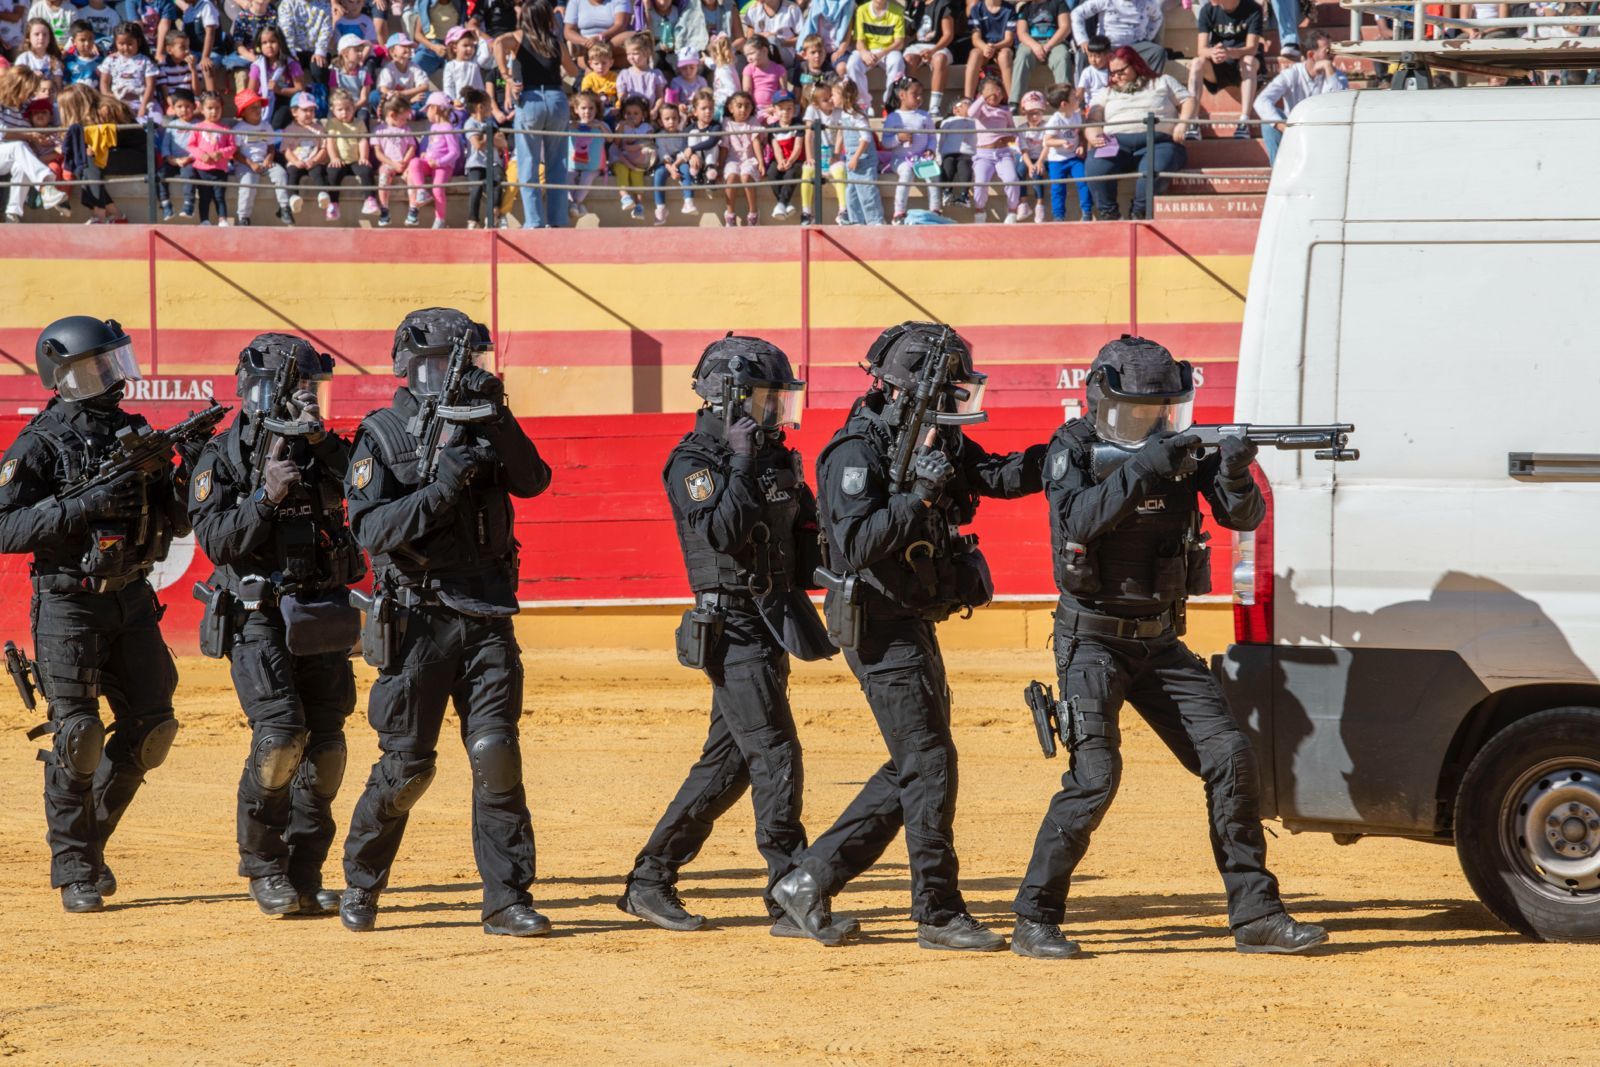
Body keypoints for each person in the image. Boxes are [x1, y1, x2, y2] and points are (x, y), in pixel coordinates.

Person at [1008, 335, 1329, 959]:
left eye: (1164, 412)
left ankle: (1257, 915)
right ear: (1103, 403)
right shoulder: (1073, 448)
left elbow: (1244, 519)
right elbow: (1077, 521)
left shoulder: (1184, 452)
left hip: (1160, 643)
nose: (1153, 424)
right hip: (1092, 643)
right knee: (1095, 778)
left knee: (1231, 758)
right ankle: (1033, 918)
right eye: (1138, 413)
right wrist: (1147, 464)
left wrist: (1233, 471)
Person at [770, 321, 1045, 952]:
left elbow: (998, 477)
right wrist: (918, 494)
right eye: (951, 392)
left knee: (916, 765)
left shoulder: (933, 440)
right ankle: (937, 911)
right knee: (929, 762)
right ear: (905, 392)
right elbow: (857, 544)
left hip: (912, 621)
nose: (959, 404)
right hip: (876, 623)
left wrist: (1062, 456)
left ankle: (808, 880)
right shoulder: (855, 454)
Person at [618, 337, 852, 937]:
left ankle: (650, 880)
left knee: (730, 763)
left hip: (771, 616)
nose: (775, 411)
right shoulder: (694, 459)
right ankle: (789, 894)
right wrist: (744, 463)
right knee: (775, 753)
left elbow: (801, 545)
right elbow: (722, 533)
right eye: (765, 399)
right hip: (730, 623)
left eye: (780, 399)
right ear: (728, 398)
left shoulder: (773, 455)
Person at [339, 307, 553, 938]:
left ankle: (507, 899)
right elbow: (371, 532)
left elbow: (535, 481)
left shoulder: (486, 423)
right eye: (435, 365)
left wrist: (499, 415)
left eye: (466, 363)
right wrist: (441, 487)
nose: (452, 377)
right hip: (417, 619)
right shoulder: (380, 434)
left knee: (496, 755)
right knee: (406, 766)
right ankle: (361, 882)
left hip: (487, 616)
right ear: (408, 367)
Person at [0, 316, 199, 913]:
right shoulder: (38, 441)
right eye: (97, 368)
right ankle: (75, 869)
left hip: (132, 597)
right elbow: (5, 526)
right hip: (68, 601)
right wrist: (81, 505)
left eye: (115, 363)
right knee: (78, 734)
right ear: (62, 376)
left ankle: (89, 842)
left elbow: (181, 521)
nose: (113, 378)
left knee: (153, 726)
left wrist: (180, 472)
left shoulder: (135, 431)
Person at [186, 334, 361, 917]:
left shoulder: (323, 449)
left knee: (328, 746)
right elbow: (214, 540)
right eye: (296, 388)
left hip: (320, 615)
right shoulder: (225, 455)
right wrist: (265, 496)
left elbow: (368, 492)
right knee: (280, 738)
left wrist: (316, 440)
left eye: (313, 388)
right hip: (257, 617)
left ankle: (305, 871)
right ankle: (264, 867)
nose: (306, 398)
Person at [1082, 46, 1194, 220]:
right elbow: (1093, 118)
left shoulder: (1162, 81)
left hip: (1157, 140)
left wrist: (1182, 124)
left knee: (1153, 169)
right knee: (1096, 166)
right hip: (1115, 141)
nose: (1116, 77)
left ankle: (1139, 211)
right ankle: (1109, 213)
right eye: (1112, 73)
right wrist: (1094, 135)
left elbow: (1187, 100)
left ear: (1135, 65)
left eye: (1121, 71)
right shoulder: (1106, 92)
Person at [497, 0, 577, 228]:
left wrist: (506, 75)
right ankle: (558, 221)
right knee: (557, 166)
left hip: (530, 100)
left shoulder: (518, 37)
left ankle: (533, 222)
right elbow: (572, 70)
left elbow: (498, 43)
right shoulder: (555, 42)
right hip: (556, 99)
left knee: (528, 165)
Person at [1253, 32, 1347, 163]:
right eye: (1327, 51)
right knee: (1268, 124)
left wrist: (1328, 68)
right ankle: (1278, 173)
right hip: (1293, 131)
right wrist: (1281, 125)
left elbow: (1340, 103)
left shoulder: (1336, 76)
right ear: (1310, 55)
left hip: (1323, 131)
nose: (1333, 54)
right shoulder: (1292, 73)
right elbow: (1261, 101)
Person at [1186, 0, 1263, 140]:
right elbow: (1201, 50)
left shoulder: (1253, 9)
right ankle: (1193, 121)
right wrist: (1212, 53)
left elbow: (1252, 48)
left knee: (1249, 62)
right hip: (1218, 65)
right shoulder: (1207, 10)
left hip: (1242, 64)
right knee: (1196, 63)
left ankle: (1244, 121)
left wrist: (1230, 52)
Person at [230, 87, 293, 226]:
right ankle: (243, 217)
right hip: (245, 164)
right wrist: (250, 164)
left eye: (258, 107)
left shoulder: (266, 126)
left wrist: (269, 157)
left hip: (265, 162)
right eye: (252, 108)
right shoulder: (238, 129)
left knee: (281, 173)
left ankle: (284, 208)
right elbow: (235, 152)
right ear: (244, 112)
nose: (257, 110)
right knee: (248, 183)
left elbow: (270, 145)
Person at [880, 75, 936, 222]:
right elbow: (885, 142)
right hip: (900, 159)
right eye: (914, 94)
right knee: (906, 172)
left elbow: (932, 137)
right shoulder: (893, 117)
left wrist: (930, 150)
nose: (919, 98)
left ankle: (935, 210)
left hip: (921, 158)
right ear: (902, 95)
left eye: (921, 95)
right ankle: (899, 212)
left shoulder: (925, 116)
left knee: (933, 174)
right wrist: (899, 138)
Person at [969, 73, 1020, 223]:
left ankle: (1012, 211)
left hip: (1003, 153)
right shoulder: (981, 109)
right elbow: (971, 113)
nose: (994, 94)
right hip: (983, 154)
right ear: (981, 94)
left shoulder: (1005, 111)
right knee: (980, 182)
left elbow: (1013, 131)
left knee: (1012, 179)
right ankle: (979, 211)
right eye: (990, 91)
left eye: (998, 91)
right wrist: (982, 98)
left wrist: (1011, 140)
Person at [410, 90, 461, 228]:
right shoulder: (433, 127)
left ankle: (440, 219)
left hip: (444, 166)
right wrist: (425, 155)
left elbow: (455, 152)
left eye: (427, 109)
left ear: (435, 108)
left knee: (437, 189)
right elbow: (434, 147)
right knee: (414, 162)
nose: (426, 113)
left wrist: (439, 162)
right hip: (430, 163)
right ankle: (421, 191)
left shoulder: (448, 127)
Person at [844, 0, 907, 112]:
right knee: (853, 63)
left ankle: (890, 104)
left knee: (897, 61)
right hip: (868, 50)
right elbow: (859, 41)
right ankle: (862, 104)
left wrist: (881, 54)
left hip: (888, 51)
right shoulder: (861, 10)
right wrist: (864, 53)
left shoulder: (898, 11)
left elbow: (899, 42)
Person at [833, 77, 881, 225]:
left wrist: (855, 158)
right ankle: (856, 220)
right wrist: (836, 152)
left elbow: (866, 138)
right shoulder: (843, 114)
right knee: (851, 192)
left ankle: (875, 221)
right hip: (851, 159)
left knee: (867, 191)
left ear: (844, 96)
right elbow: (841, 132)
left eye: (834, 95)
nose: (831, 98)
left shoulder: (856, 115)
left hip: (863, 159)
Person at [1042, 82, 1091, 221]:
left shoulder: (1077, 116)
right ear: (1064, 104)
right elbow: (1048, 141)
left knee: (1084, 181)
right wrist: (1062, 142)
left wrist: (1081, 144)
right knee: (1057, 188)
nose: (1077, 98)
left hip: (1074, 157)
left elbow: (1080, 133)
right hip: (1057, 160)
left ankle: (1086, 212)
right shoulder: (1055, 120)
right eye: (1074, 97)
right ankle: (1058, 216)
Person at [187, 89, 235, 224]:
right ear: (202, 109)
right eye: (210, 108)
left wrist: (221, 153)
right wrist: (201, 155)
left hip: (220, 170)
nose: (214, 112)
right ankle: (204, 220)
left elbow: (232, 147)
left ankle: (222, 219)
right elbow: (191, 146)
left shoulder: (226, 129)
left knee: (219, 196)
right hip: (202, 170)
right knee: (204, 197)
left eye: (217, 108)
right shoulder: (197, 127)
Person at [1012, 0, 1072, 108]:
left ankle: (1065, 100)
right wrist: (1035, 46)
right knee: (1022, 56)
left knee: (1062, 57)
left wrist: (1048, 45)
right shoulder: (1025, 8)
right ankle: (1015, 103)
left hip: (1055, 42)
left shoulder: (1059, 3)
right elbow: (1021, 33)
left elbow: (1065, 27)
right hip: (1031, 43)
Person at [1068, 0, 1162, 68]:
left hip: (1135, 46)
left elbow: (1157, 18)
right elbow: (1077, 13)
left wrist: (1148, 37)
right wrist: (1082, 39)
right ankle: (1081, 93)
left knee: (1156, 51)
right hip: (1106, 46)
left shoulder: (1148, 2)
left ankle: (1149, 89)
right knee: (1085, 53)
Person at [901, 0, 956, 114]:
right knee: (909, 59)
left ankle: (934, 107)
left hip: (938, 46)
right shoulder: (914, 5)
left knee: (939, 59)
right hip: (917, 46)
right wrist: (911, 12)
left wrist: (933, 51)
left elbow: (948, 35)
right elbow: (908, 32)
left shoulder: (943, 4)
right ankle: (911, 104)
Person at [371, 94, 417, 227]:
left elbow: (412, 147)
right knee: (383, 175)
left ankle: (413, 209)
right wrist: (393, 164)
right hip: (388, 163)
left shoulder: (406, 129)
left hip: (404, 163)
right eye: (403, 119)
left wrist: (404, 161)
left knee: (412, 175)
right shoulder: (379, 130)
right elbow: (378, 153)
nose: (406, 122)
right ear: (392, 115)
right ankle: (384, 210)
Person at [964, 0, 1016, 101]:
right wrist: (985, 47)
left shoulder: (1009, 9)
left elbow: (1009, 40)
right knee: (974, 54)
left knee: (1005, 55)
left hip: (1001, 46)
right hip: (983, 47)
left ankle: (1012, 100)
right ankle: (968, 99)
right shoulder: (976, 9)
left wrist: (994, 47)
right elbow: (975, 39)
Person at [764, 90, 803, 220]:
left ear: (794, 109)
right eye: (781, 109)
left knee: (790, 174)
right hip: (780, 159)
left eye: (789, 108)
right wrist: (780, 161)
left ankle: (781, 204)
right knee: (772, 173)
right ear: (774, 110)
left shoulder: (798, 126)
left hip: (795, 159)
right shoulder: (772, 128)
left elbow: (798, 147)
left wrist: (790, 161)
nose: (785, 112)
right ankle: (786, 204)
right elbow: (776, 148)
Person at [936, 95, 974, 209]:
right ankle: (947, 192)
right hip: (949, 152)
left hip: (966, 153)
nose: (971, 106)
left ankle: (964, 195)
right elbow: (941, 138)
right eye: (967, 104)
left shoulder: (975, 121)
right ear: (956, 109)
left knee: (964, 165)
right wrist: (939, 155)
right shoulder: (948, 121)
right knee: (947, 164)